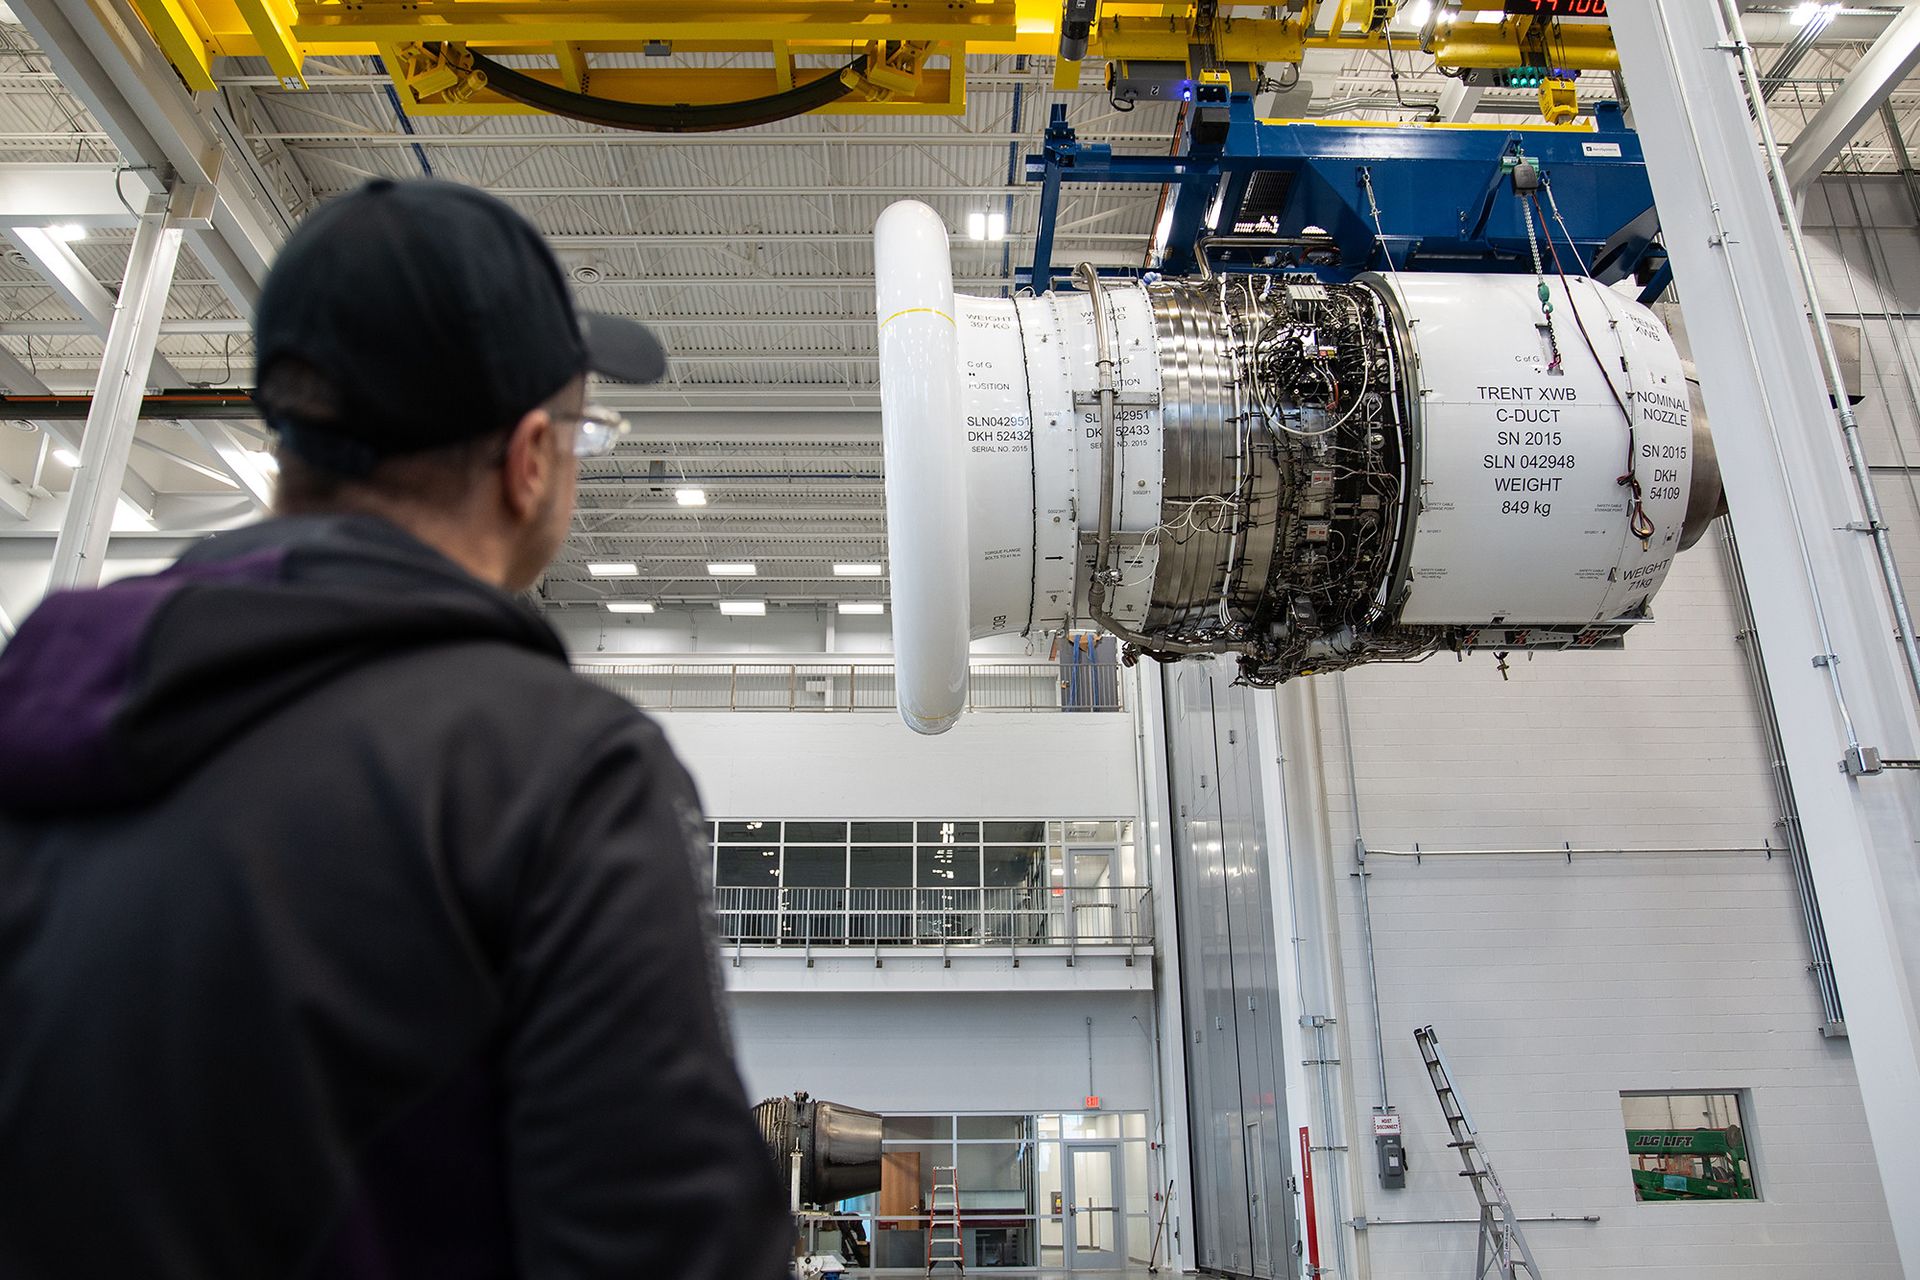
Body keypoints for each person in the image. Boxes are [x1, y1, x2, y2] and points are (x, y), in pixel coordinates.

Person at [0, 178, 792, 1280]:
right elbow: (671, 1242)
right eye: (582, 429)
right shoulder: (553, 773)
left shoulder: (34, 709)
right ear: (529, 460)